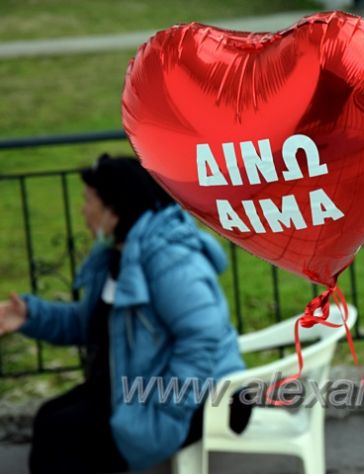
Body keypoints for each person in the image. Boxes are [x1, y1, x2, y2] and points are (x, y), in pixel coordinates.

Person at [0, 154, 250, 473]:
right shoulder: (117, 255)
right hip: (141, 378)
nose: (82, 210)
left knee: (62, 435)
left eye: (88, 201)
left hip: (205, 400)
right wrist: (29, 316)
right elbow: (90, 323)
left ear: (114, 211)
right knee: (50, 418)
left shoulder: (170, 258)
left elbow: (203, 338)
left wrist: (167, 409)